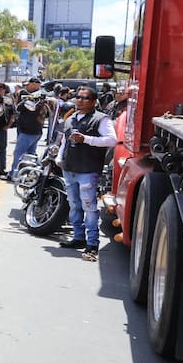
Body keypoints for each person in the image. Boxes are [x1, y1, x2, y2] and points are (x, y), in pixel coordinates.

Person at [56, 86, 119, 262]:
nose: (80, 100)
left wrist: (87, 139)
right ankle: (78, 238)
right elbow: (64, 141)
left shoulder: (101, 119)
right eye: (78, 97)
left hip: (88, 170)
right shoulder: (71, 118)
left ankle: (92, 244)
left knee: (89, 208)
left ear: (93, 101)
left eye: (85, 98)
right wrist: (59, 157)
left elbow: (112, 140)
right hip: (69, 168)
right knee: (74, 205)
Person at [9, 77, 48, 180]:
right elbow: (19, 107)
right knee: (30, 155)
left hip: (29, 131)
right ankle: (27, 177)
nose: (26, 87)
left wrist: (31, 98)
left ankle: (14, 175)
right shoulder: (34, 97)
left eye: (29, 84)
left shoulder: (38, 98)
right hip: (34, 130)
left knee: (20, 155)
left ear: (35, 85)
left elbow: (20, 108)